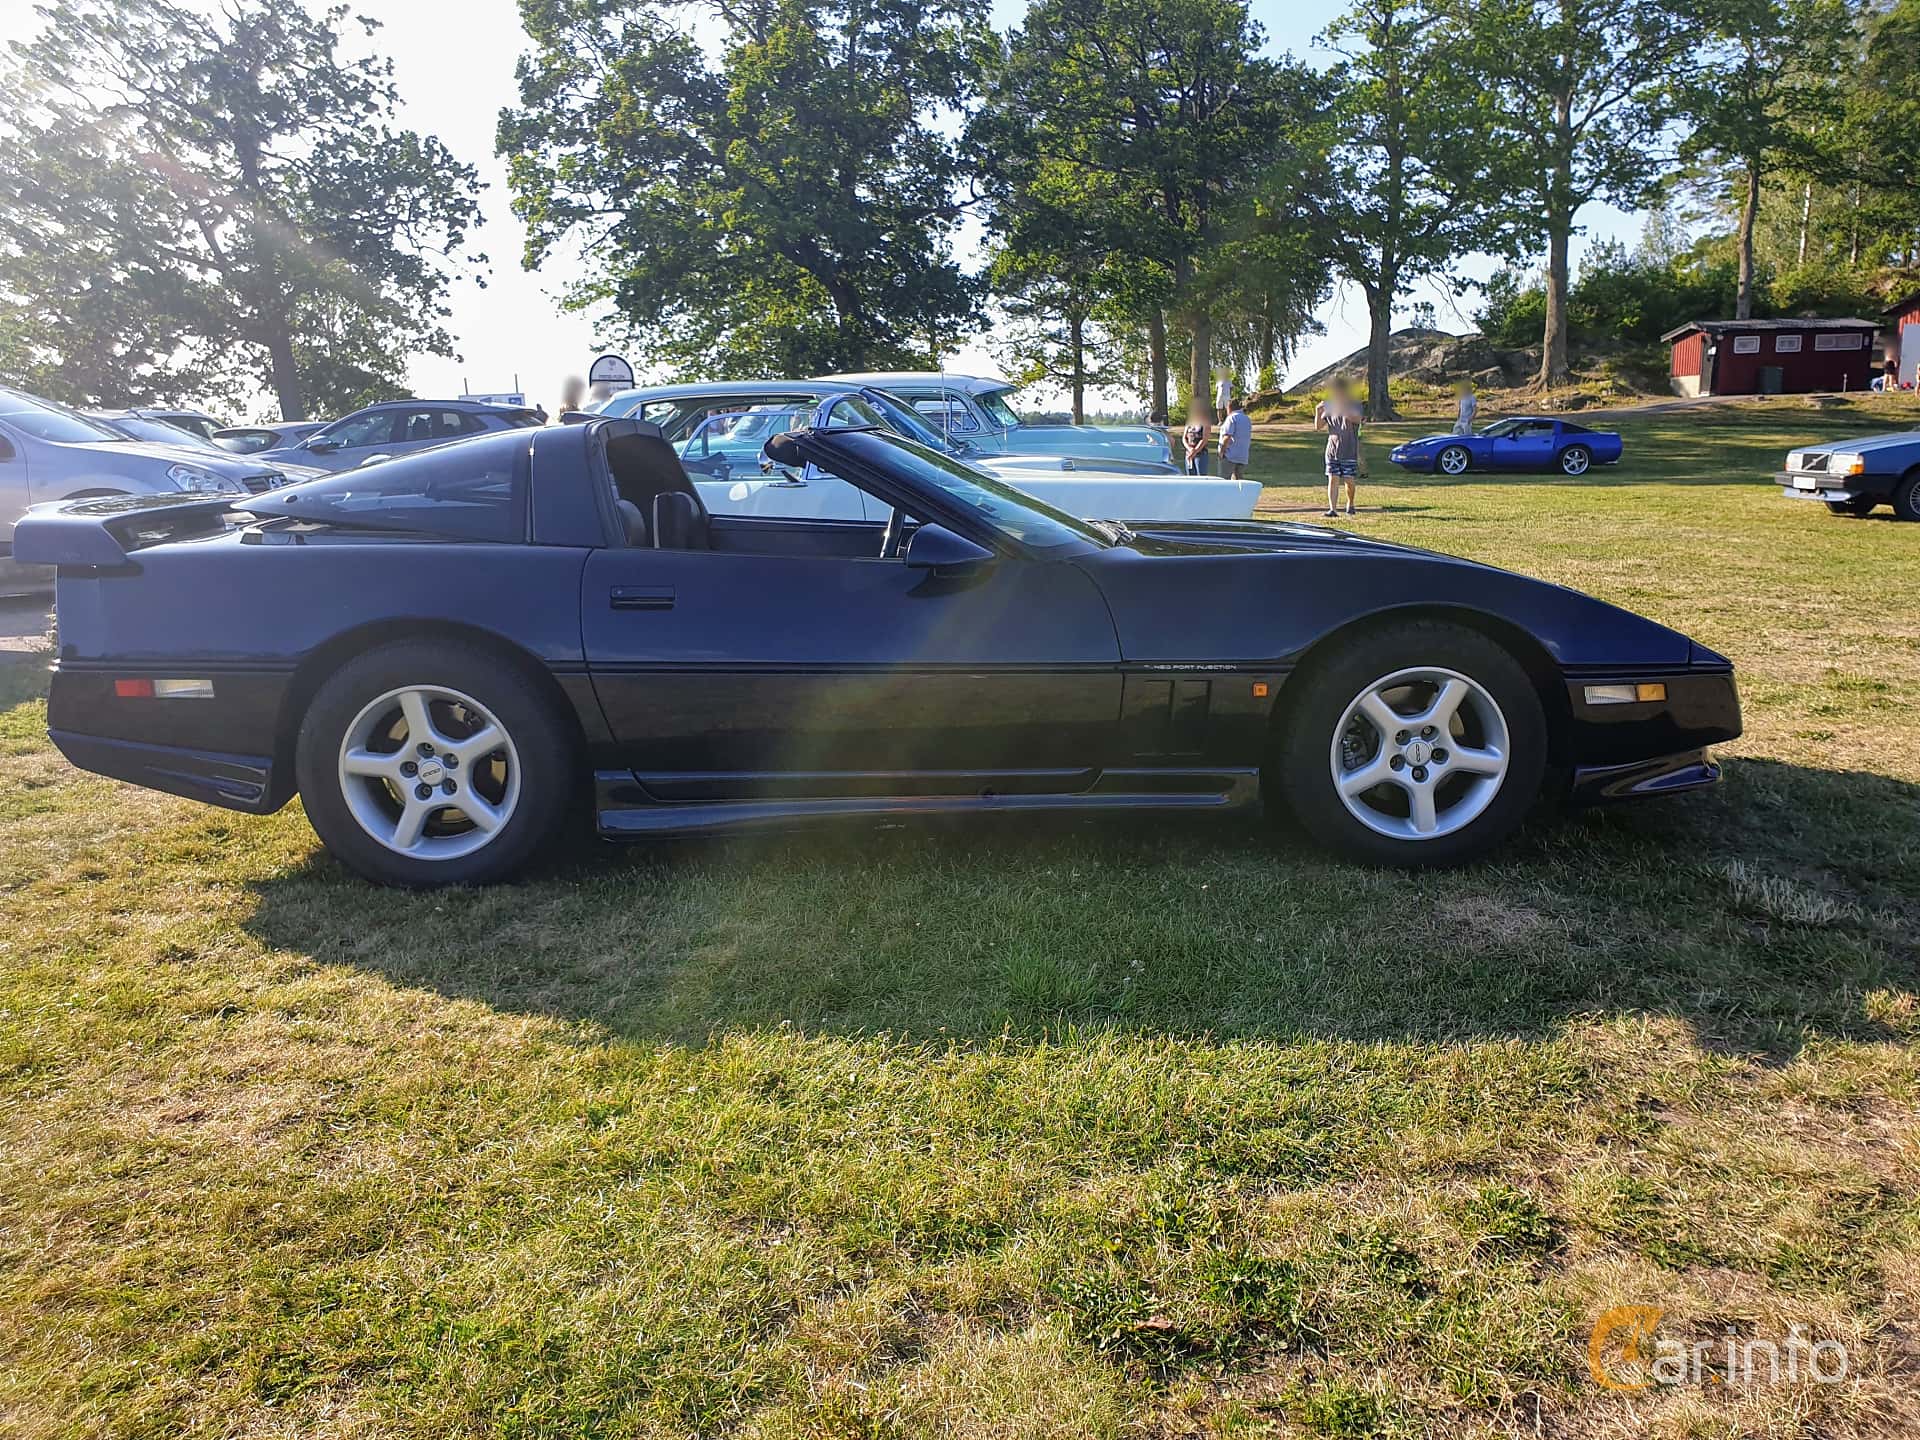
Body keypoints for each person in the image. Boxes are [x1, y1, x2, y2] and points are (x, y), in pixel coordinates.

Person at [1315, 378, 1362, 519]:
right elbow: (1318, 426)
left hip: (1348, 449)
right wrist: (1318, 411)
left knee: (1349, 480)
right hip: (1332, 450)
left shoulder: (1354, 404)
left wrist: (1343, 407)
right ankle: (1332, 509)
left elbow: (1357, 419)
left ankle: (1350, 503)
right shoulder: (1330, 407)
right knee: (1332, 478)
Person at [1217, 395, 1252, 481]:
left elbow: (1227, 436)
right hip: (1242, 455)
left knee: (1224, 480)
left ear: (1229, 407)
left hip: (1230, 455)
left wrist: (1221, 452)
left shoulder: (1232, 418)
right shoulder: (1246, 418)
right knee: (1238, 482)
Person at [1181, 399, 1211, 475]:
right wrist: (1189, 449)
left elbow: (1204, 439)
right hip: (1189, 454)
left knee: (1201, 476)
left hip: (1200, 454)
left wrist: (1195, 451)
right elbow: (1184, 438)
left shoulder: (1205, 422)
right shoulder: (1189, 422)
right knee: (1190, 477)